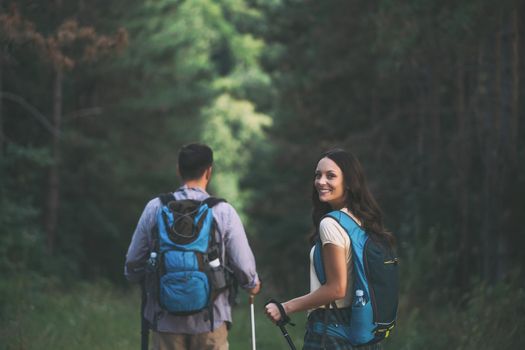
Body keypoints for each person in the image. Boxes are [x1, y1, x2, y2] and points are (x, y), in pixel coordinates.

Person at [125, 143, 261, 350]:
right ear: (209, 171)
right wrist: (252, 284)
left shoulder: (155, 207)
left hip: (164, 320)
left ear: (179, 170)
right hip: (211, 320)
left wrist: (135, 277)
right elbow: (243, 265)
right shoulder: (223, 211)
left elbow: (134, 260)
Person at [264, 148, 395, 349]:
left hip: (330, 332)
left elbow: (336, 288)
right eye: (318, 175)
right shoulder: (361, 221)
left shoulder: (331, 224)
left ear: (349, 183)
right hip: (361, 331)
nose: (321, 181)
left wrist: (285, 307)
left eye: (330, 176)